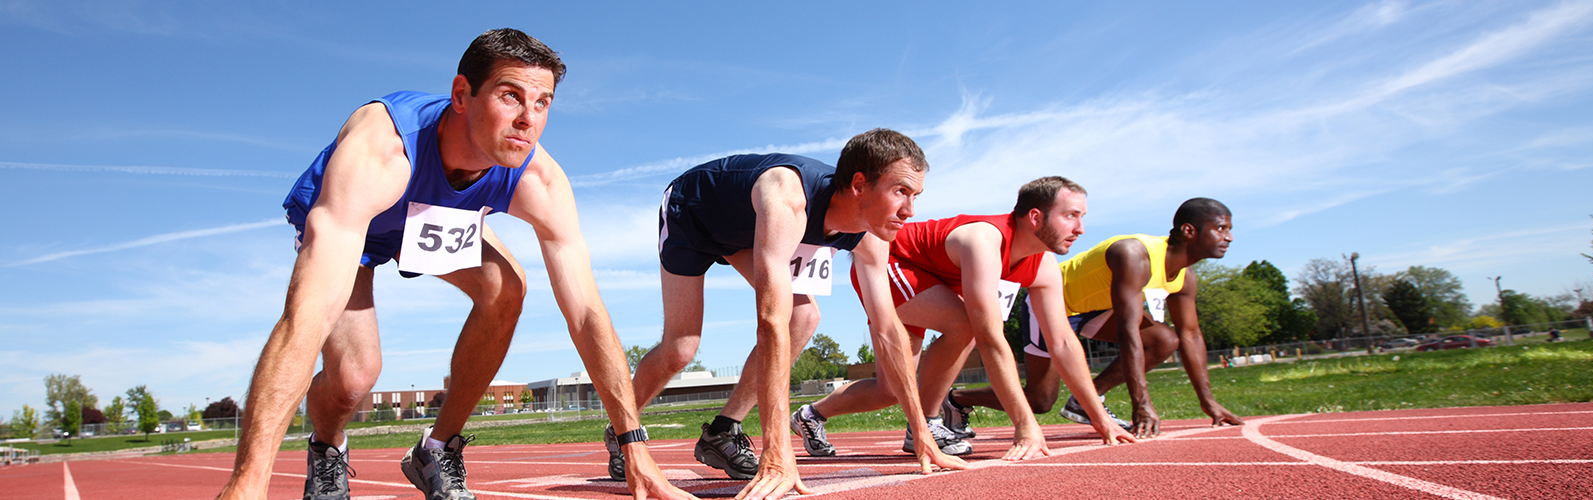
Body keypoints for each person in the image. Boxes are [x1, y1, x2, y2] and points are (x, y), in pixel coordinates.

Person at [217, 29, 692, 500]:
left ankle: (437, 448)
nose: (528, 119)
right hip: (359, 222)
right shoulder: (381, 152)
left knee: (507, 288)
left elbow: (586, 311)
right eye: (511, 96)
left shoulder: (539, 178)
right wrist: (249, 483)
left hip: (430, 217)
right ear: (462, 95)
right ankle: (326, 448)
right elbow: (307, 317)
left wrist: (634, 446)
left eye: (542, 103)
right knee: (352, 380)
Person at [614, 130, 966, 500]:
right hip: (693, 212)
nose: (910, 211)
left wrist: (922, 432)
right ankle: (622, 425)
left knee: (805, 316)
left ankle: (722, 430)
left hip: (747, 229)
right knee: (681, 347)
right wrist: (777, 450)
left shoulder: (873, 236)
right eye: (901, 192)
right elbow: (769, 322)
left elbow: (888, 331)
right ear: (860, 185)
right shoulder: (788, 197)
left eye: (915, 196)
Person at [790, 177, 1136, 461]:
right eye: (1072, 216)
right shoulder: (984, 239)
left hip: (930, 282)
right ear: (1035, 217)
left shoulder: (1043, 265)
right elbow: (989, 338)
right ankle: (925, 422)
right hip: (891, 263)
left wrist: (1101, 419)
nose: (1081, 228)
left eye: (1083, 217)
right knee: (969, 324)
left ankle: (811, 415)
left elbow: (1062, 341)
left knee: (892, 389)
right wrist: (1025, 424)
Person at [1039, 198, 1245, 438]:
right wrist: (1141, 403)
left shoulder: (1185, 278)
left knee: (1165, 340)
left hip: (1097, 308)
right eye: (1222, 229)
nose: (1229, 237)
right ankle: (981, 400)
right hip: (1051, 300)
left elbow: (1190, 334)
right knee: (1040, 400)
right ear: (1189, 231)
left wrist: (1207, 400)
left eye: (1230, 230)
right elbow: (1129, 331)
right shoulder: (1134, 254)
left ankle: (1085, 400)